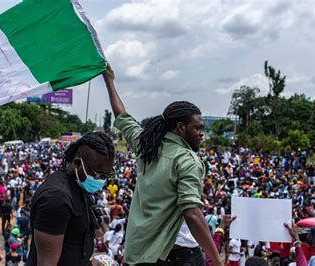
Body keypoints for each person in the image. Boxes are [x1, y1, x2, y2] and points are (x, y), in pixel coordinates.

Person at [104, 64, 220, 265]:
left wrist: (110, 82)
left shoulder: (145, 144)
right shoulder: (187, 160)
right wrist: (217, 261)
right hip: (179, 255)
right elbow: (192, 213)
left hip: (141, 252)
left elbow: (122, 117)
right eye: (197, 128)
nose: (202, 134)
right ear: (181, 127)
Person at [28, 132, 115, 265]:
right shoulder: (57, 198)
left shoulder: (78, 185)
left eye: (106, 176)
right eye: (98, 175)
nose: (102, 181)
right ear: (77, 164)